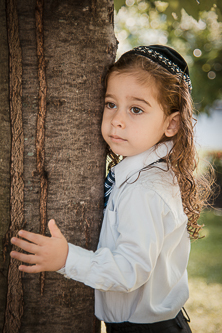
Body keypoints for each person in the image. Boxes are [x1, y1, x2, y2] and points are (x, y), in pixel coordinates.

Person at [11, 45, 212, 332]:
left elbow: (131, 270)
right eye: (111, 104)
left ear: (172, 123)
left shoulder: (145, 189)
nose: (117, 119)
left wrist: (67, 258)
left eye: (136, 109)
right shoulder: (140, 174)